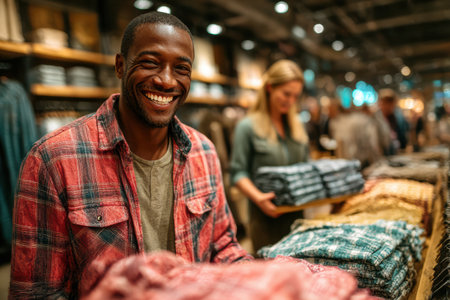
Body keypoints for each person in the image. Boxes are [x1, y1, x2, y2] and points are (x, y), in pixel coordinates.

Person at [9, 12, 251, 299]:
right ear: (120, 66)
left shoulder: (204, 151)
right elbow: (37, 292)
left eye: (181, 69)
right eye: (150, 63)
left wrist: (260, 279)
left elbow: (222, 247)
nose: (166, 80)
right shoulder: (52, 160)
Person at [230, 60, 309, 253]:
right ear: (270, 88)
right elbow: (238, 173)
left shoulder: (297, 125)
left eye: (295, 96)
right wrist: (258, 198)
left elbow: (307, 166)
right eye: (286, 94)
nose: (290, 101)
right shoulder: (247, 127)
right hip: (265, 219)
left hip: (297, 217)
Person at [373, 88, 409, 155]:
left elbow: (403, 138)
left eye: (390, 102)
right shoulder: (375, 120)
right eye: (385, 102)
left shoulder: (399, 118)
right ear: (380, 103)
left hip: (397, 154)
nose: (387, 105)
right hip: (382, 156)